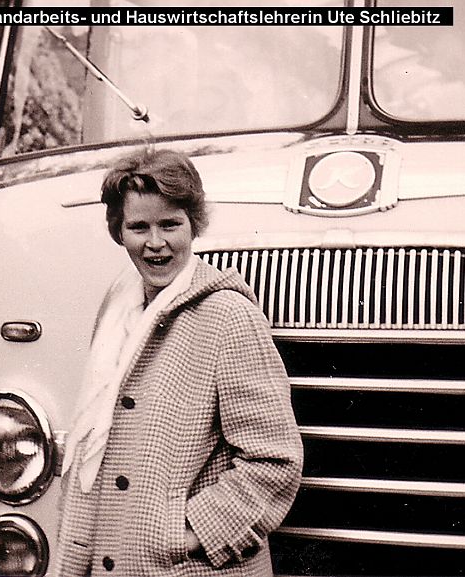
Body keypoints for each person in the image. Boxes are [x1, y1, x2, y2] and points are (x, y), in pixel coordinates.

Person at [55, 148, 303, 576]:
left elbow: (274, 460)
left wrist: (183, 534)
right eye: (138, 227)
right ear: (119, 231)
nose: (155, 243)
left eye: (170, 224)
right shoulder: (118, 308)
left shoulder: (229, 317)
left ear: (194, 224)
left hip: (187, 567)